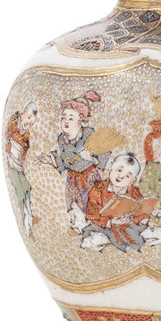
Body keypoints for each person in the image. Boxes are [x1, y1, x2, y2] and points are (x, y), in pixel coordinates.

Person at [37, 90, 110, 233]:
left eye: (71, 118)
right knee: (72, 204)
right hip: (72, 179)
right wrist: (51, 161)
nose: (66, 121)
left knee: (90, 204)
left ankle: (93, 230)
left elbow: (104, 155)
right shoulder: (62, 139)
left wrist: (91, 158)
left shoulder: (89, 134)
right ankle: (77, 228)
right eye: (63, 118)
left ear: (80, 120)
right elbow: (65, 162)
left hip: (89, 178)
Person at [81, 153, 152, 252]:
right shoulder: (98, 189)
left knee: (137, 236)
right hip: (104, 225)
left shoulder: (134, 192)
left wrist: (137, 218)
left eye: (127, 176)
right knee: (97, 235)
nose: (121, 176)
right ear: (111, 167)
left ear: (133, 180)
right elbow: (91, 213)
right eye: (119, 170)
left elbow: (141, 211)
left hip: (125, 226)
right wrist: (110, 222)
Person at [5, 101, 38, 235]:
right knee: (19, 189)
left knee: (27, 187)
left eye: (32, 122)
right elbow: (7, 138)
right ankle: (25, 217)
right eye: (28, 117)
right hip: (11, 163)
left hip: (19, 165)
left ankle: (29, 214)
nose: (29, 122)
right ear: (24, 112)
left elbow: (25, 149)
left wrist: (22, 157)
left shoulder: (26, 134)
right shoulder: (13, 122)